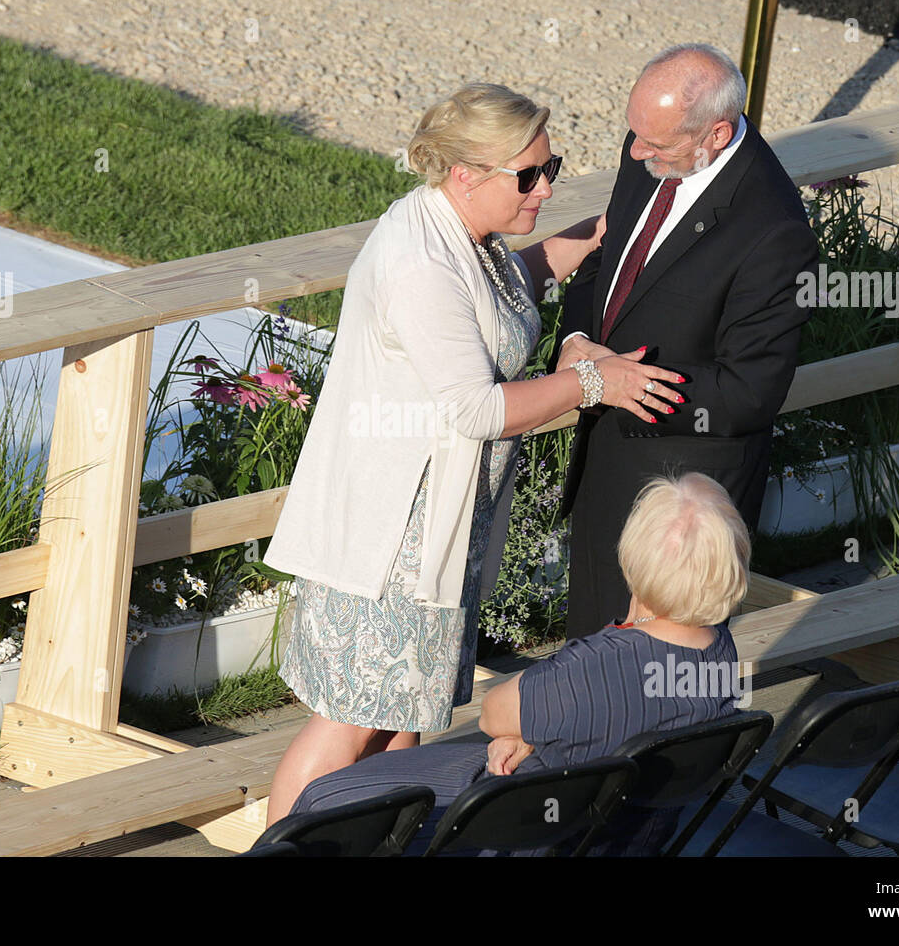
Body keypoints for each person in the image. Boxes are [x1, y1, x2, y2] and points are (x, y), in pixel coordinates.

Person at [261, 82, 684, 826]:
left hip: (436, 529)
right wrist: (592, 381)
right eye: (529, 176)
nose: (546, 187)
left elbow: (500, 298)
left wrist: (585, 239)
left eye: (552, 167)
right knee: (350, 722)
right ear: (465, 174)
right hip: (391, 534)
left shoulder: (466, 238)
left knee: (401, 726)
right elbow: (478, 408)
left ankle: (380, 846)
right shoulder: (421, 261)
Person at [281, 472, 750, 856]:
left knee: (326, 805)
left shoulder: (601, 667)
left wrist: (527, 724)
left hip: (527, 831)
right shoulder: (720, 656)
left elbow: (493, 711)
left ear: (637, 553)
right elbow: (608, 717)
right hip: (625, 833)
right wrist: (535, 730)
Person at [553, 42, 820, 640]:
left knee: (662, 689)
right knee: (588, 660)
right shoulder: (655, 147)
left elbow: (751, 390)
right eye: (634, 135)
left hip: (684, 500)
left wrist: (627, 384)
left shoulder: (775, 232)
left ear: (717, 134)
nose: (636, 152)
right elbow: (606, 260)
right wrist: (574, 340)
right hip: (607, 462)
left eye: (656, 144)